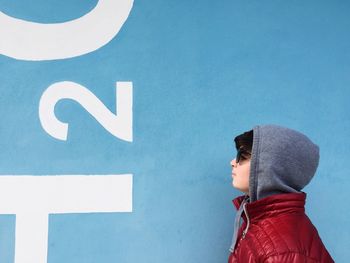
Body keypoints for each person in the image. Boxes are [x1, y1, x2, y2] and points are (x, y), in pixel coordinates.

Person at [228, 124, 334, 263]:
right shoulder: (257, 220)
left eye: (241, 156)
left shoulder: (281, 251)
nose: (232, 162)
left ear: (268, 166)